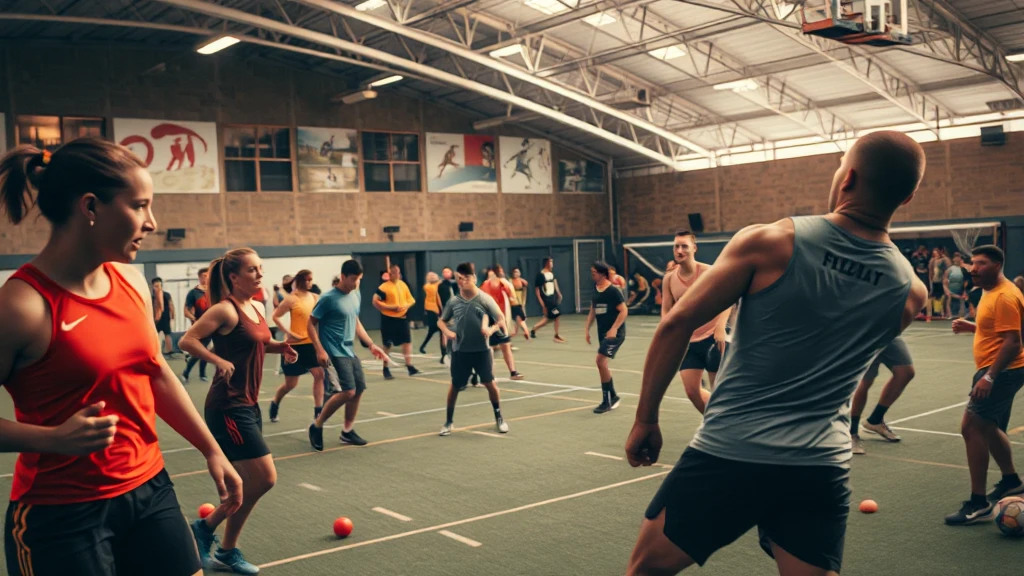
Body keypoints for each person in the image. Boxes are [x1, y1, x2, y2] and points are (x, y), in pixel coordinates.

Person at [624, 131, 928, 576]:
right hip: (819, 467)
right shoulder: (910, 293)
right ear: (908, 197)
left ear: (848, 178)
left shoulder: (769, 242)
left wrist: (646, 418)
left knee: (645, 571)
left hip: (729, 454)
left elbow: (675, 323)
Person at [0, 138, 241, 576]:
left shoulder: (130, 282)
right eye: (140, 206)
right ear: (91, 207)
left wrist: (211, 448)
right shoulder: (21, 306)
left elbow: (157, 372)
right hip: (62, 515)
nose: (152, 222)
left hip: (150, 490)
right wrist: (51, 439)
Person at [180, 248, 298, 574]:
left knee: (244, 484)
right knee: (265, 478)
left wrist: (279, 347)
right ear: (234, 277)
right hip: (227, 407)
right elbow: (187, 341)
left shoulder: (258, 305)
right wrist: (217, 360)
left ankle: (227, 551)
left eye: (261, 268)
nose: (259, 274)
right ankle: (204, 528)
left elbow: (257, 342)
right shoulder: (224, 311)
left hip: (248, 403)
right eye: (252, 270)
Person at [945, 245, 1024, 525]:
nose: (973, 269)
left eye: (981, 263)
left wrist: (989, 377)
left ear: (997, 265)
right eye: (972, 264)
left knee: (972, 426)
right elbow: (997, 330)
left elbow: (1013, 341)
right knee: (988, 426)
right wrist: (972, 327)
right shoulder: (989, 292)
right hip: (995, 370)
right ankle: (1012, 481)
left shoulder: (1004, 295)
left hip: (1001, 372)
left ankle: (978, 504)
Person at [307, 259, 388, 451]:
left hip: (349, 350)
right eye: (353, 279)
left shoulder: (356, 294)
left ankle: (347, 431)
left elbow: (355, 321)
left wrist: (371, 344)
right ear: (343, 277)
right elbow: (310, 324)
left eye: (359, 279)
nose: (356, 283)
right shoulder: (328, 299)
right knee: (348, 391)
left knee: (358, 389)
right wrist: (319, 349)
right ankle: (316, 426)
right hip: (333, 352)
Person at [660, 230, 731, 414]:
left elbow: (728, 299)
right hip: (687, 341)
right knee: (692, 391)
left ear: (694, 248)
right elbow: (666, 309)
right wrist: (668, 334)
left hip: (713, 338)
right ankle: (712, 423)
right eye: (676, 246)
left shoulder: (709, 272)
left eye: (684, 246)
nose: (679, 250)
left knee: (719, 392)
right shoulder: (669, 279)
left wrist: (720, 327)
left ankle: (724, 427)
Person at [437, 262, 509, 436]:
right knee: (455, 386)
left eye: (467, 277)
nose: (463, 281)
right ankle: (448, 422)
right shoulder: (454, 301)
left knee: (490, 384)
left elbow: (500, 319)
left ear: (474, 278)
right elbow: (441, 321)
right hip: (460, 352)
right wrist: (448, 332)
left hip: (481, 352)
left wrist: (490, 330)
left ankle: (499, 418)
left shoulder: (485, 299)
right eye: (459, 278)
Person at [268, 269, 326, 423]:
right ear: (300, 281)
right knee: (291, 384)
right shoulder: (291, 299)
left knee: (319, 375)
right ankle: (275, 403)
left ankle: (318, 413)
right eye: (307, 280)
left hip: (310, 344)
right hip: (294, 345)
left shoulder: (314, 297)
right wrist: (289, 333)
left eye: (311, 279)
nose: (309, 282)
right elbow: (275, 316)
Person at [849, 336, 915, 454]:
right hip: (865, 334)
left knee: (906, 372)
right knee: (865, 381)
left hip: (889, 332)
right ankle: (851, 432)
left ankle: (875, 420)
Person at [584, 261, 627, 414]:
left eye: (594, 271)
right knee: (602, 364)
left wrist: (614, 329)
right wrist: (587, 329)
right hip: (602, 332)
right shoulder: (596, 289)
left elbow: (623, 311)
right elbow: (593, 310)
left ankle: (607, 400)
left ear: (602, 273)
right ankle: (613, 396)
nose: (592, 273)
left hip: (615, 334)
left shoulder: (613, 291)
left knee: (600, 361)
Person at [372, 263, 419, 379]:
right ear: (390, 274)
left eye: (398, 272)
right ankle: (385, 368)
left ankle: (409, 366)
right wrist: (389, 307)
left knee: (407, 342)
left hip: (402, 318)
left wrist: (406, 306)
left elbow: (411, 299)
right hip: (389, 319)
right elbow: (375, 301)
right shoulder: (384, 287)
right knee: (387, 344)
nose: (397, 275)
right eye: (395, 273)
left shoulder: (403, 285)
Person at [480, 266, 524, 381]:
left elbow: (513, 303)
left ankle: (513, 372)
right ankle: (486, 375)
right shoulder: (484, 287)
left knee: (506, 346)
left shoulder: (504, 286)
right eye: (490, 275)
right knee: (488, 349)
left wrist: (520, 323)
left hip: (501, 321)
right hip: (489, 321)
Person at [182, 266, 212, 382]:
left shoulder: (213, 291)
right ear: (199, 277)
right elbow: (186, 311)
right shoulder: (193, 293)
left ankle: (201, 374)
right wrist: (194, 319)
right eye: (205, 276)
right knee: (202, 350)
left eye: (208, 275)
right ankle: (187, 373)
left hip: (213, 325)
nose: (207, 278)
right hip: (200, 326)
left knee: (204, 350)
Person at [531, 257, 566, 343]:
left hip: (552, 298)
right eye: (551, 262)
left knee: (548, 318)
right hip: (547, 300)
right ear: (547, 263)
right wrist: (542, 303)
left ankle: (534, 329)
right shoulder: (540, 275)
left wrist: (559, 294)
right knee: (557, 314)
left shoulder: (552, 274)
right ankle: (556, 336)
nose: (552, 263)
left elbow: (555, 284)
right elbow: (537, 290)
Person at [419, 272, 443, 356]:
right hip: (432, 309)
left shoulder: (438, 285)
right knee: (437, 330)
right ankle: (444, 353)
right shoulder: (428, 286)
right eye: (430, 276)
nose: (432, 277)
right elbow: (436, 294)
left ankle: (422, 346)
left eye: (434, 275)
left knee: (434, 330)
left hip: (434, 309)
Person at [152, 276, 176, 356]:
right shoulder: (152, 296)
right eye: (156, 286)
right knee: (154, 335)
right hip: (155, 318)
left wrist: (172, 315)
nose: (158, 288)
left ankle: (170, 351)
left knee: (167, 334)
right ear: (152, 286)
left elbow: (171, 305)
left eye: (159, 286)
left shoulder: (166, 294)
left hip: (165, 317)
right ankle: (154, 351)